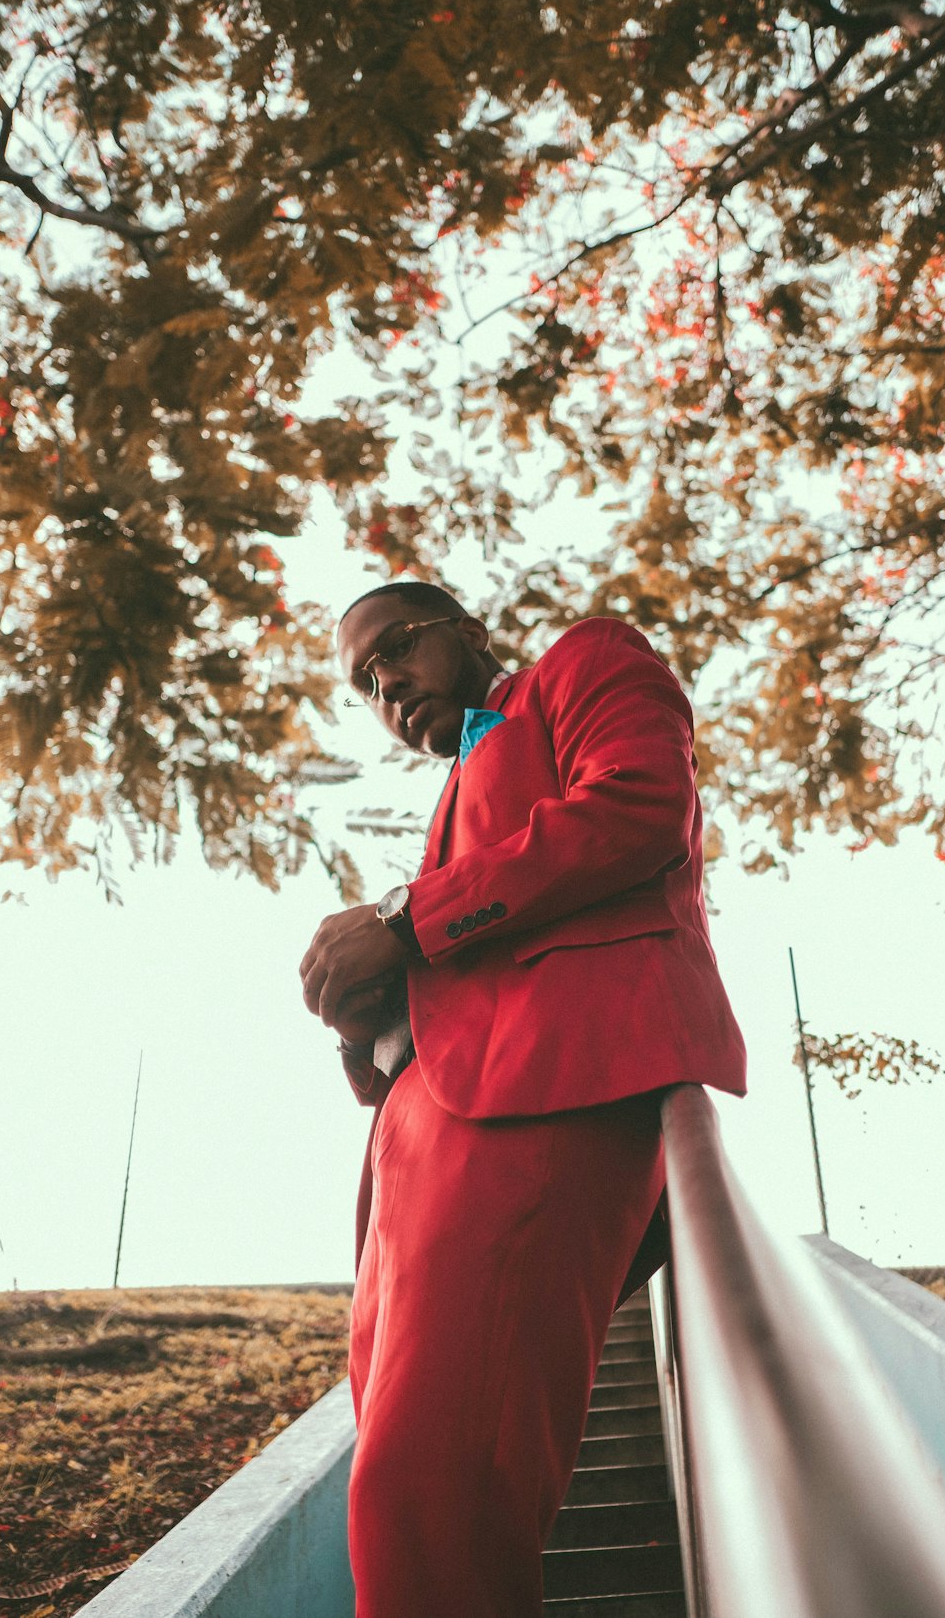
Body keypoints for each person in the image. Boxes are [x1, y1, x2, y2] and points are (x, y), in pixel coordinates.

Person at [299, 580, 746, 1618]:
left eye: (398, 648)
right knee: (395, 1480)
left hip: (540, 1097)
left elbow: (640, 809)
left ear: (466, 630)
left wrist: (403, 920)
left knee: (436, 1486)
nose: (386, 684)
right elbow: (471, 946)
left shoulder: (583, 663)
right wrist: (369, 1005)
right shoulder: (453, 788)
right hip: (413, 1144)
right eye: (365, 681)